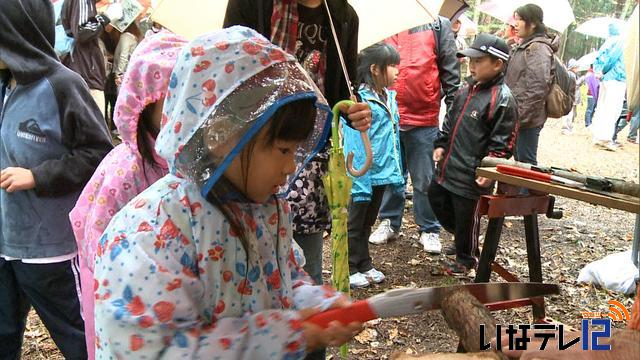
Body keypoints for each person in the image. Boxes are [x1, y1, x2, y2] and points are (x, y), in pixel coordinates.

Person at [93, 26, 365, 358]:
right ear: (220, 136)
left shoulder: (266, 209)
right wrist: (282, 336)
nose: (291, 166)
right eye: (282, 150)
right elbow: (155, 350)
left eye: (296, 151)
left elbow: (285, 280)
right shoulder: (150, 234)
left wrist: (321, 304)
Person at [223, 0, 370, 290]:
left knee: (304, 265)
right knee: (244, 248)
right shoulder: (252, 5)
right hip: (255, 151)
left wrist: (355, 113)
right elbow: (229, 75)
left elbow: (342, 91)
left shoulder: (342, 16)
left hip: (312, 159)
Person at [0, 0, 113, 358]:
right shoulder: (5, 84)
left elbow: (99, 155)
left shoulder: (63, 86)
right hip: (5, 244)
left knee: (76, 335)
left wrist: (37, 176)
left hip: (49, 251)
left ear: (16, 35)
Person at [68, 30, 187, 360]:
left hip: (179, 301)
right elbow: (96, 244)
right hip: (124, 301)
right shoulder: (126, 170)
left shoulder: (194, 164)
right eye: (171, 102)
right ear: (145, 103)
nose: (184, 115)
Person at [369, 15, 460, 254]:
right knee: (391, 175)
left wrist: (454, 109)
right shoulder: (385, 21)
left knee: (424, 178)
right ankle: (388, 221)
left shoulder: (437, 24)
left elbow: (450, 68)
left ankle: (429, 229)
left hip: (424, 115)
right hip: (387, 114)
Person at [429, 33, 518, 275]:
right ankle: (461, 241)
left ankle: (466, 258)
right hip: (448, 166)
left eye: (479, 60)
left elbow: (503, 142)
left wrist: (489, 169)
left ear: (497, 64)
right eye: (471, 60)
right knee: (435, 197)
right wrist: (441, 144)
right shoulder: (464, 90)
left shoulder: (502, 99)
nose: (472, 65)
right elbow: (449, 122)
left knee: (467, 216)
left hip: (472, 175)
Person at [344, 43, 403, 288]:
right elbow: (355, 140)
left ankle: (364, 262)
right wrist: (360, 176)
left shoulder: (387, 97)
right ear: (375, 69)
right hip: (363, 171)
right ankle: (349, 266)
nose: (397, 71)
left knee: (368, 220)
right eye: (392, 66)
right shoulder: (359, 101)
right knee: (355, 221)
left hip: (381, 171)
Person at [505, 3, 558, 166]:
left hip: (527, 118)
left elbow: (537, 87)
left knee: (526, 164)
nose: (516, 24)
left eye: (519, 19)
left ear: (533, 23)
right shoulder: (525, 46)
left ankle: (530, 192)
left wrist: (521, 118)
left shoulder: (538, 49)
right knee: (520, 161)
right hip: (520, 115)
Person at [61, 0, 122, 117]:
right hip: (86, 75)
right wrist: (106, 17)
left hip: (81, 73)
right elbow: (82, 30)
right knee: (94, 131)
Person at [590, 23, 627, 150]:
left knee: (602, 108)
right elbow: (612, 58)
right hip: (616, 78)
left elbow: (599, 59)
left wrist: (599, 71)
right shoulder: (620, 41)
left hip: (606, 79)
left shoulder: (608, 41)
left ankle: (598, 136)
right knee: (613, 109)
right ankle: (605, 138)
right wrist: (604, 70)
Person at [561, 59, 583, 135]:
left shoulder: (572, 74)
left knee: (572, 114)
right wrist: (582, 79)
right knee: (568, 114)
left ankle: (569, 127)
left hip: (572, 97)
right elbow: (575, 85)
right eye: (576, 67)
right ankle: (565, 128)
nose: (577, 69)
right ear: (573, 67)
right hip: (570, 97)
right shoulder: (571, 74)